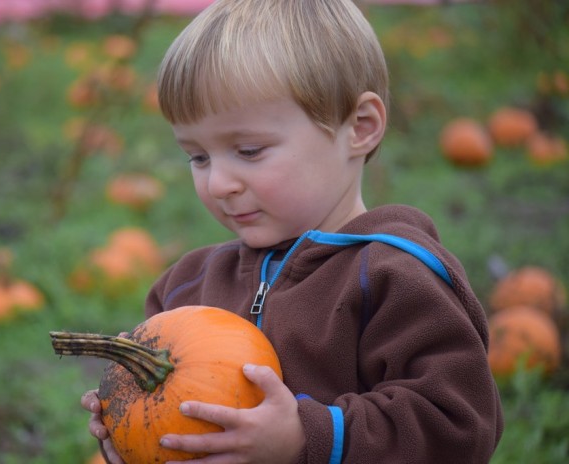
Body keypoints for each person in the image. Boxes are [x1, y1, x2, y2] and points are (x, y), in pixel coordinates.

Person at [80, 0, 504, 462]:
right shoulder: (186, 288)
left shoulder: (393, 278)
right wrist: (127, 435)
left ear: (359, 128)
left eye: (249, 150)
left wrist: (308, 438)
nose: (218, 183)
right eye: (198, 157)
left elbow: (458, 428)